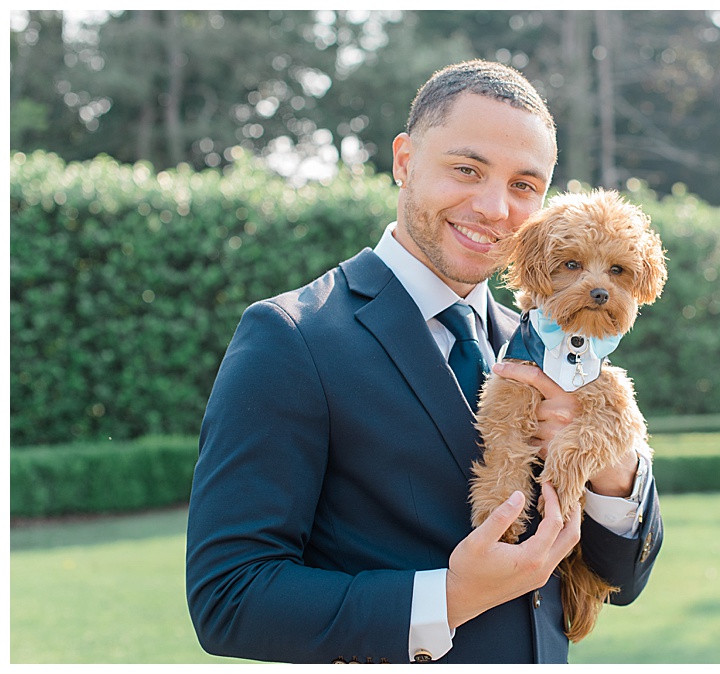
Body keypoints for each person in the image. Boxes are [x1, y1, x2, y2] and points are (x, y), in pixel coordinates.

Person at [186, 59, 662, 664]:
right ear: (405, 161)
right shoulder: (290, 337)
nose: (494, 208)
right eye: (467, 169)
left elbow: (624, 577)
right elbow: (229, 599)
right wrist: (449, 597)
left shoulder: (543, 343)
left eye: (524, 185)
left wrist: (615, 470)